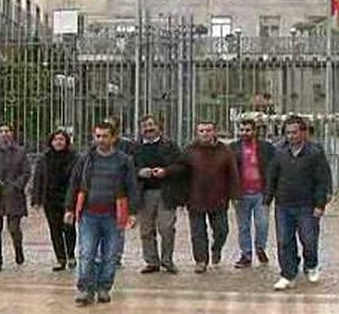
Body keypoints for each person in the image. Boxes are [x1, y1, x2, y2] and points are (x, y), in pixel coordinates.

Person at [64, 121, 138, 306]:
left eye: (105, 136)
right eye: (97, 136)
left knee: (110, 255)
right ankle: (85, 290)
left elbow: (132, 187)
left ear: (114, 137)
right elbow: (74, 184)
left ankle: (104, 287)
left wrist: (133, 212)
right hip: (89, 215)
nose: (101, 140)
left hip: (114, 215)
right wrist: (69, 208)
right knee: (87, 253)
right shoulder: (86, 158)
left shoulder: (124, 161)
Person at [265, 116, 332, 291]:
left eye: (295, 132)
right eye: (288, 133)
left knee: (309, 240)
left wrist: (320, 204)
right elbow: (272, 177)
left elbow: (322, 180)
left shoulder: (315, 152)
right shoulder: (279, 152)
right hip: (284, 204)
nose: (291, 136)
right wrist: (267, 200)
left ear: (303, 132)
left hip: (307, 205)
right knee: (284, 240)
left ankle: (311, 265)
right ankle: (287, 274)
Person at [170, 121, 240, 274]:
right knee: (197, 233)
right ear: (197, 133)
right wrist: (181, 196)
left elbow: (233, 173)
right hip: (195, 198)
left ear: (214, 132)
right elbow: (181, 172)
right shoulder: (189, 150)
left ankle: (216, 249)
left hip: (219, 198)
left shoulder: (225, 150)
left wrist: (234, 195)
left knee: (222, 230)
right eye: (201, 131)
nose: (205, 134)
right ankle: (201, 260)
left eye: (208, 130)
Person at [134, 115, 183, 275]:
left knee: (166, 228)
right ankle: (151, 261)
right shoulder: (135, 148)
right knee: (146, 230)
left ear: (159, 127)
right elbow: (127, 169)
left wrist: (166, 172)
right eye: (144, 126)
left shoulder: (170, 146)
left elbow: (181, 166)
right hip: (144, 193)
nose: (148, 129)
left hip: (166, 192)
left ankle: (167, 260)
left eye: (151, 125)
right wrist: (139, 172)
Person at [0, 123, 31, 272]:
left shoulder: (20, 152)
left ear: (12, 133)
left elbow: (26, 172)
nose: (4, 134)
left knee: (14, 228)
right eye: (1, 131)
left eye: (7, 131)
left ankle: (18, 250)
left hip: (13, 195)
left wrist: (17, 185)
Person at [229, 119, 276, 268]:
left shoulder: (266, 147)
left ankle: (260, 248)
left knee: (262, 224)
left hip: (261, 193)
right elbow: (229, 171)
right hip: (241, 194)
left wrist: (271, 190)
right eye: (242, 130)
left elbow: (273, 168)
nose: (244, 133)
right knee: (243, 226)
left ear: (254, 131)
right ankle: (246, 254)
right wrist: (232, 192)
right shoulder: (233, 148)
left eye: (248, 130)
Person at [31, 130, 78, 271]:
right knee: (54, 229)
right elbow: (38, 179)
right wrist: (36, 199)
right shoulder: (44, 158)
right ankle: (60, 258)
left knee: (69, 228)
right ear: (51, 142)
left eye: (61, 139)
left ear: (66, 142)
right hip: (50, 199)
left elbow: (77, 179)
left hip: (68, 198)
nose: (58, 142)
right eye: (56, 139)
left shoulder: (74, 158)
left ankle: (71, 255)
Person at [103, 115, 135, 267]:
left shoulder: (127, 146)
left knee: (118, 226)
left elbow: (132, 169)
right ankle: (102, 255)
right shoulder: (96, 146)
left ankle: (116, 256)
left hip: (120, 192)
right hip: (101, 193)